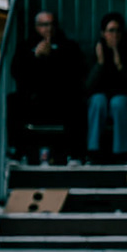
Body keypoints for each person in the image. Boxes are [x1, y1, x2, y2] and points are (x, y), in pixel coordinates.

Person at [11, 10, 84, 163]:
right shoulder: (25, 46)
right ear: (36, 26)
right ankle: (17, 152)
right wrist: (34, 57)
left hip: (60, 99)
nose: (48, 29)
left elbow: (75, 73)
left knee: (78, 103)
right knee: (12, 101)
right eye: (44, 25)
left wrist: (54, 56)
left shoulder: (68, 46)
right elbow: (17, 72)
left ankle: (75, 155)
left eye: (51, 24)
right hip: (34, 99)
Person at [85, 12, 127, 163]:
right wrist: (99, 65)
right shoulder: (94, 53)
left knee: (118, 102)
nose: (114, 35)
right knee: (98, 100)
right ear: (103, 33)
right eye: (110, 30)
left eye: (117, 30)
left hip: (125, 102)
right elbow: (86, 88)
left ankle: (122, 153)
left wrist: (121, 66)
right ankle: (92, 151)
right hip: (100, 102)